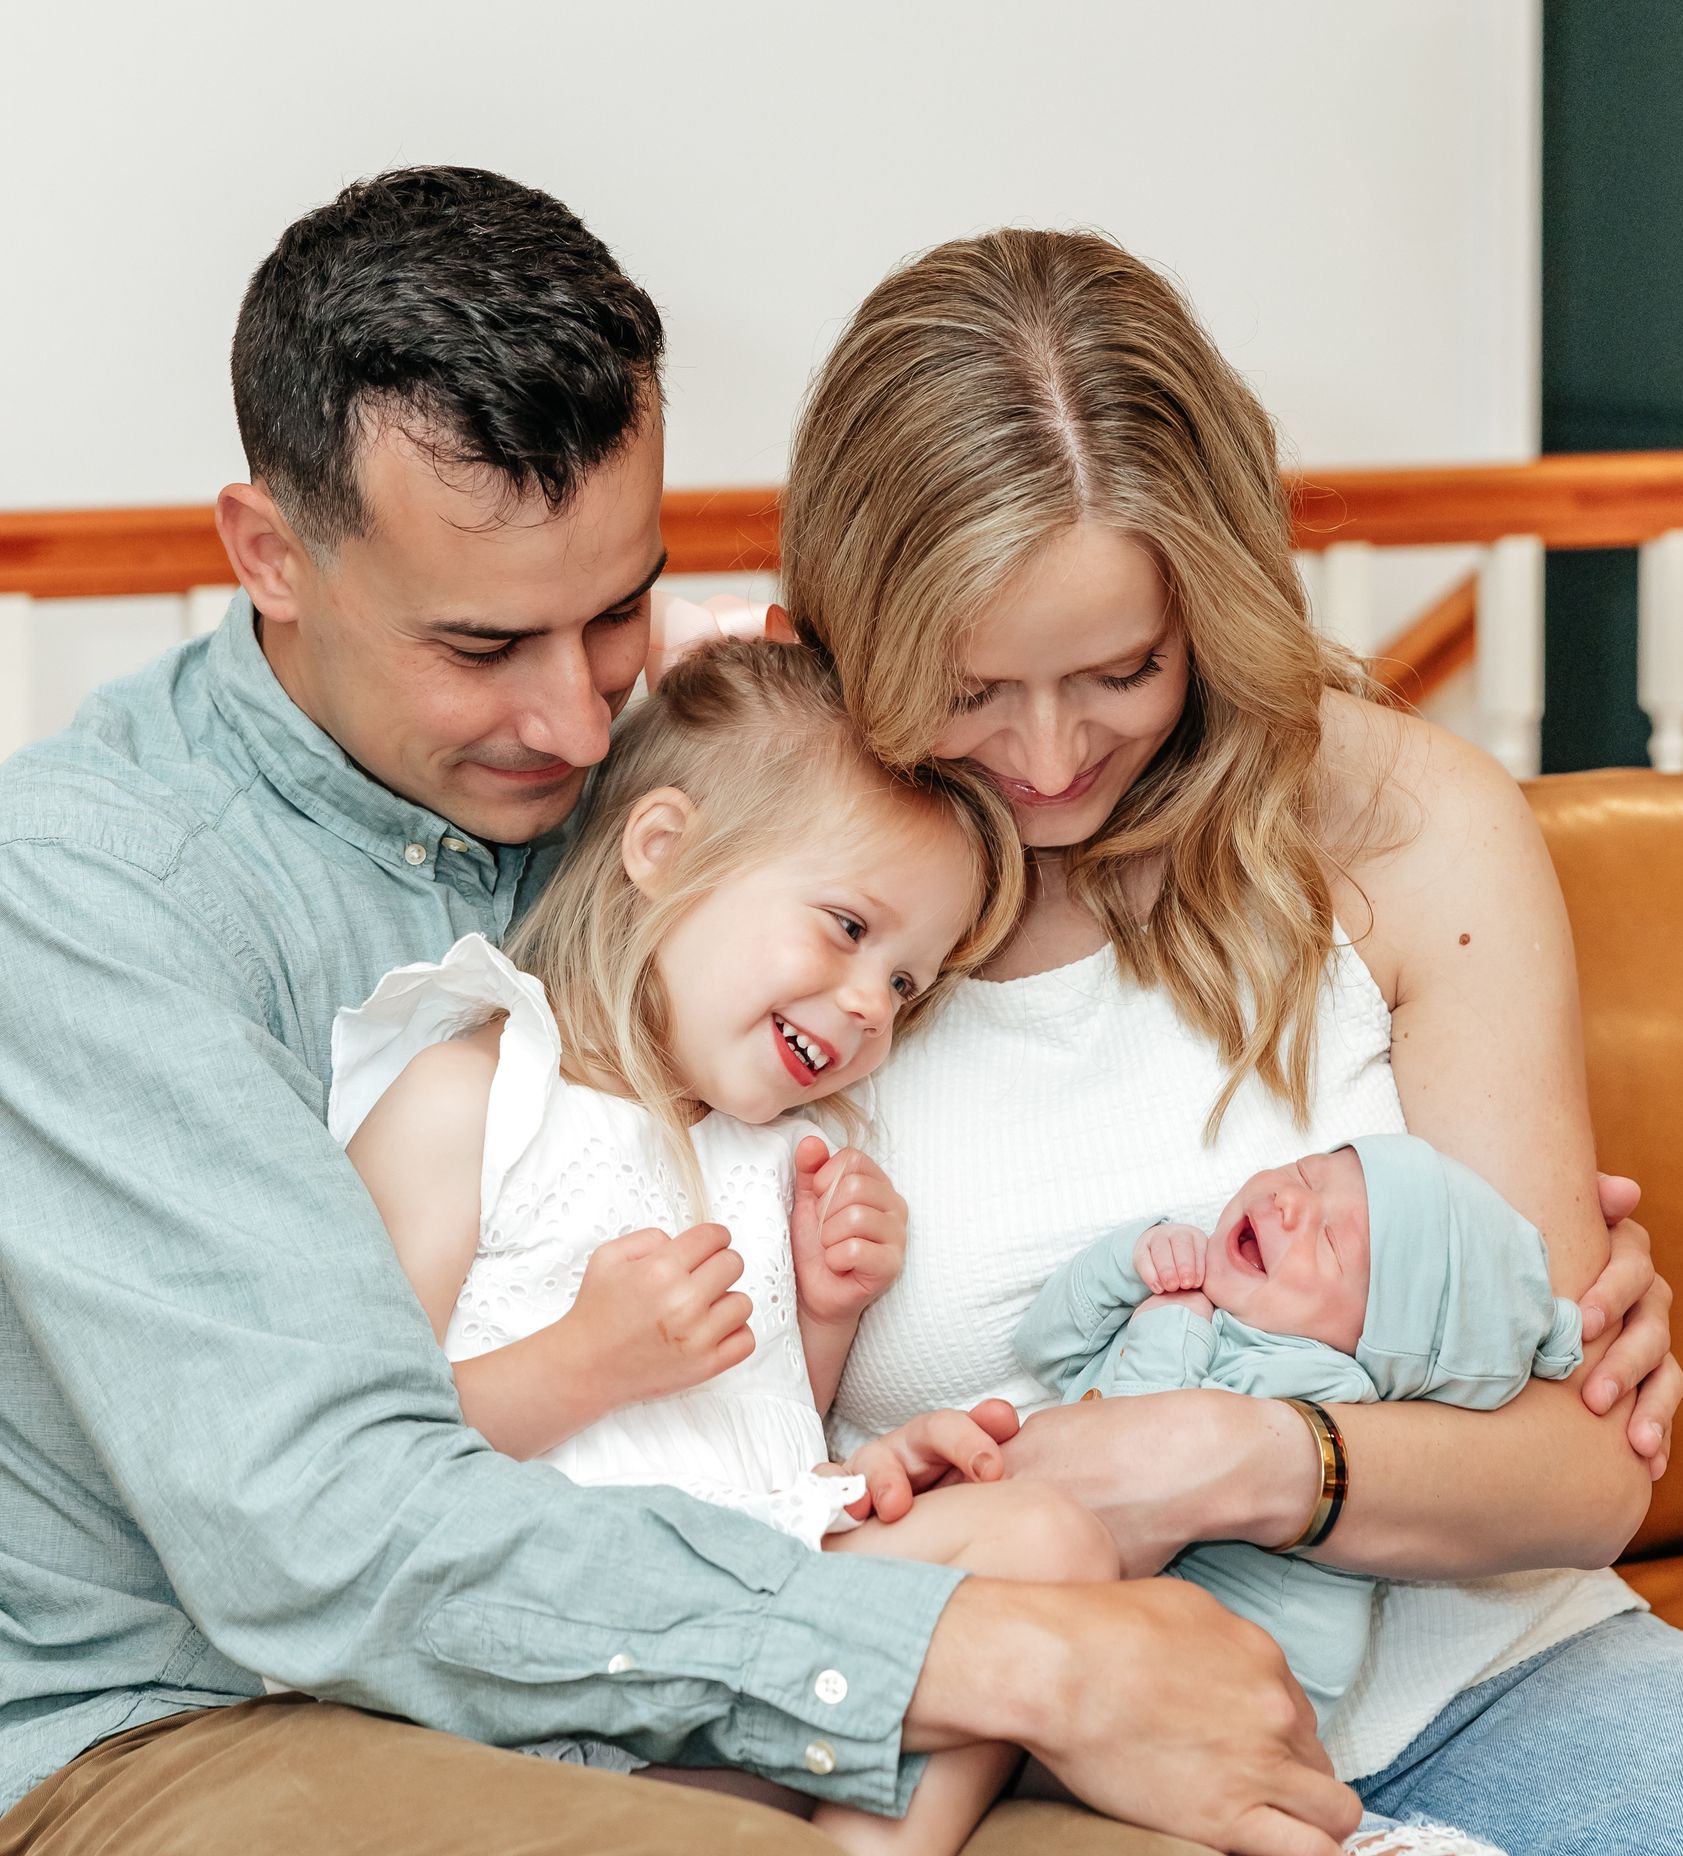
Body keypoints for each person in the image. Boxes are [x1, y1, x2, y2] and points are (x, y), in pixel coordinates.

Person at [0, 173, 1362, 1856]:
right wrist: (998, 1656)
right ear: (272, 554)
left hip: (662, 1641)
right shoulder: (91, 894)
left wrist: (1475, 1278)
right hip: (192, 1717)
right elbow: (318, 1530)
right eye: (482, 646)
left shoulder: (687, 763)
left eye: (615, 612)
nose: (579, 724)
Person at [765, 226, 1683, 1856]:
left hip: (1503, 1680)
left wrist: (1235, 1459)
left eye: (1122, 671)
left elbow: (1586, 1475)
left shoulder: (1396, 820)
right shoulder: (779, 900)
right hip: (1036, 1750)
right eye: (969, 692)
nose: (1049, 758)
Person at [334, 632, 1127, 1856]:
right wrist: (582, 1364)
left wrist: (824, 1322)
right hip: (554, 1634)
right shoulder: (472, 1095)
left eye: (907, 984)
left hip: (753, 1619)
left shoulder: (775, 1152)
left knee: (1051, 1539)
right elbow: (352, 1459)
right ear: (662, 851)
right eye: (847, 926)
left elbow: (752, 1438)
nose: (870, 1006)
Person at [1015, 1138, 1584, 1726]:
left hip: (1225, 1701)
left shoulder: (1321, 1383)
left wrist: (1170, 1324)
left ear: (1374, 1346)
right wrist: (1134, 1256)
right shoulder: (1217, 1307)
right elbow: (1044, 1351)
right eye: (1307, 1173)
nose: (1290, 1202)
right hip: (1103, 1623)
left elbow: (1136, 1470)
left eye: (1331, 1243)